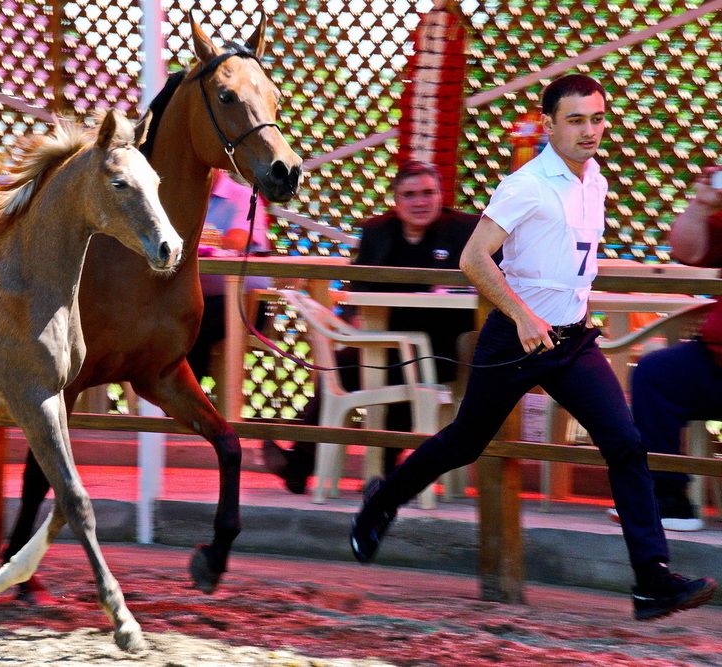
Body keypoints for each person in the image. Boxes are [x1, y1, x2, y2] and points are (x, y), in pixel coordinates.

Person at [349, 74, 717, 621]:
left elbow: (572, 259)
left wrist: (578, 308)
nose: (589, 131)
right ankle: (380, 502)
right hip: (516, 336)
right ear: (549, 125)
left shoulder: (595, 180)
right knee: (466, 442)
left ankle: (651, 581)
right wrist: (521, 314)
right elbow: (473, 259)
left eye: (596, 118)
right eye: (576, 120)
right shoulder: (525, 185)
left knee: (624, 442)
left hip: (571, 340)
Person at [262, 161, 480, 493]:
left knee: (402, 371)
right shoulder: (378, 232)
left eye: (428, 193)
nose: (420, 202)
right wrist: (354, 326)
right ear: (396, 200)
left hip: (441, 348)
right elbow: (355, 291)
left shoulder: (465, 230)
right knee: (341, 367)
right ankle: (302, 464)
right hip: (383, 339)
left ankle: (382, 476)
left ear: (441, 195)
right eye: (410, 195)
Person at [608, 168, 722, 531]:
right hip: (715, 360)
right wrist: (700, 205)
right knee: (656, 372)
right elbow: (686, 249)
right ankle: (668, 497)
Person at [187, 170, 272, 383]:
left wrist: (200, 237)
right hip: (192, 295)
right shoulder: (179, 195)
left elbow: (238, 240)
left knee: (188, 322)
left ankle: (180, 401)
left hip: (242, 302)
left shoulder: (243, 196)